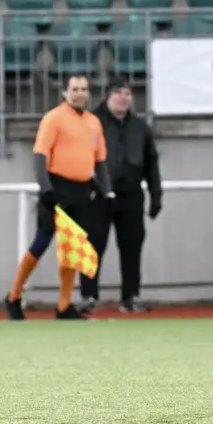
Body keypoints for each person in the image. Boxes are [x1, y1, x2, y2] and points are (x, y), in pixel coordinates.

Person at [3, 73, 115, 321]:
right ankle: (13, 296)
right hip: (57, 187)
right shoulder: (53, 119)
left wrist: (107, 192)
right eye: (75, 89)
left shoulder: (94, 123)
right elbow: (40, 158)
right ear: (65, 92)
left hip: (83, 190)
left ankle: (64, 305)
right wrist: (46, 190)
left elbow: (101, 161)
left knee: (71, 247)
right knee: (41, 243)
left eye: (84, 89)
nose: (79, 93)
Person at [78, 77, 163, 314]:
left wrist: (156, 196)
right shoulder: (90, 122)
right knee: (92, 246)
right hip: (98, 195)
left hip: (131, 195)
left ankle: (130, 297)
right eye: (119, 92)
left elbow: (151, 163)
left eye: (128, 93)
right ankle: (88, 296)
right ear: (108, 95)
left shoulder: (140, 127)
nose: (124, 97)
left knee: (132, 247)